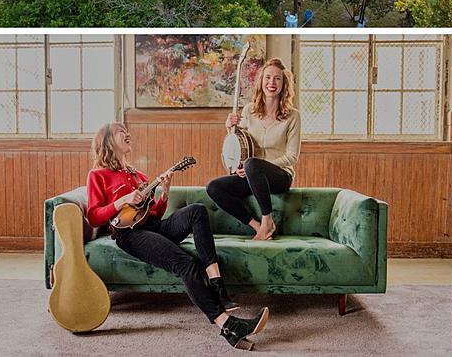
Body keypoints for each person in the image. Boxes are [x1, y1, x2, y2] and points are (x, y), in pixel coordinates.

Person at [86, 123, 269, 350]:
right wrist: (121, 201)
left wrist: (166, 192)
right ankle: (228, 325)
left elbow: (153, 213)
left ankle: (216, 284)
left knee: (197, 211)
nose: (127, 134)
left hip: (154, 226)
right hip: (130, 235)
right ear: (106, 141)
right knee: (186, 264)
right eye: (120, 132)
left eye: (127, 131)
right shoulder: (98, 175)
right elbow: (93, 217)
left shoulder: (139, 176)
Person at [207, 58, 301, 241]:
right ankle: (256, 225)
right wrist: (229, 127)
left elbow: (292, 156)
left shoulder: (293, 116)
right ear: (261, 82)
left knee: (252, 164)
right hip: (253, 175)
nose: (271, 83)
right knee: (213, 187)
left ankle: (267, 220)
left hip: (280, 176)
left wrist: (258, 166)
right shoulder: (249, 111)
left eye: (277, 79)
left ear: (284, 84)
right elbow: (238, 139)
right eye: (267, 78)